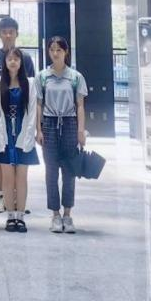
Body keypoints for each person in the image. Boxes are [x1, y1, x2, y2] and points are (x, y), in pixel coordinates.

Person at [0, 16, 35, 213]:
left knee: (20, 162)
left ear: (16, 34)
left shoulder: (26, 58)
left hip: (20, 117)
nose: (8, 35)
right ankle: (3, 197)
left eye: (11, 32)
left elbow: (31, 89)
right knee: (1, 159)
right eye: (4, 32)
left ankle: (18, 200)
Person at [36, 36, 88, 234]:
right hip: (49, 123)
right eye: (52, 49)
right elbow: (38, 105)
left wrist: (80, 131)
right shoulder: (43, 76)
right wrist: (38, 129)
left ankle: (67, 214)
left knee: (69, 172)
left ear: (66, 52)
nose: (55, 53)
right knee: (51, 171)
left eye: (59, 49)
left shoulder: (75, 77)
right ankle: (55, 215)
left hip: (69, 123)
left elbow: (80, 105)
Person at [0, 47, 39, 233]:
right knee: (7, 178)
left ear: (21, 62)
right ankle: (10, 216)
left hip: (23, 133)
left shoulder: (30, 83)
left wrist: (29, 136)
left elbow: (32, 111)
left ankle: (21, 216)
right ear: (4, 62)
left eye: (16, 59)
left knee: (22, 177)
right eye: (9, 59)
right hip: (4, 135)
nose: (12, 62)